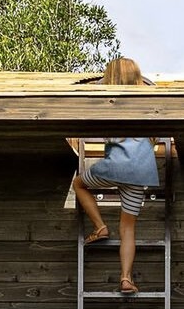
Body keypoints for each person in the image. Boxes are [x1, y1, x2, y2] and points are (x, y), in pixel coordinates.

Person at [67, 56, 160, 294]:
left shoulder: (107, 98)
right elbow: (157, 135)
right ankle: (126, 278)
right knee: (128, 228)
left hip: (116, 167)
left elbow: (87, 95)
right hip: (141, 172)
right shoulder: (147, 101)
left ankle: (100, 226)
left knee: (79, 184)